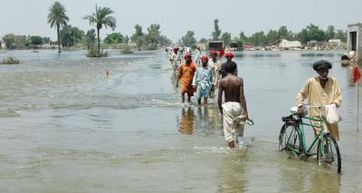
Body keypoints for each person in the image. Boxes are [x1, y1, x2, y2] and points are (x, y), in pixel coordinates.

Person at [296, 60, 342, 141]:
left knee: (332, 137)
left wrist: (335, 103)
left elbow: (338, 96)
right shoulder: (311, 81)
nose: (324, 73)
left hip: (330, 113)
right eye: (322, 71)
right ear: (318, 72)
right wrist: (300, 105)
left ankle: (326, 153)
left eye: (326, 71)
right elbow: (301, 94)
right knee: (323, 136)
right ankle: (324, 153)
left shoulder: (333, 81)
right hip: (316, 114)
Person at [218, 60, 248, 149]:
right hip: (238, 106)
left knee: (229, 132)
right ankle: (241, 149)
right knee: (240, 130)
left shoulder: (222, 81)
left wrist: (220, 109)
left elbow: (219, 98)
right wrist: (246, 112)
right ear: (235, 69)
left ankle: (232, 152)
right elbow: (242, 96)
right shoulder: (239, 80)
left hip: (227, 107)